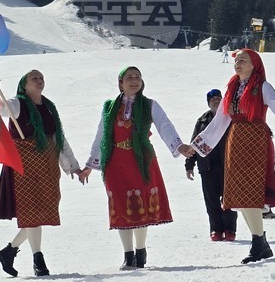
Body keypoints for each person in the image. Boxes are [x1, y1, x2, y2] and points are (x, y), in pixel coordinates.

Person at [189, 49, 275, 263]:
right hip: (235, 140)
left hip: (255, 140)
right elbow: (220, 120)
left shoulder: (262, 87)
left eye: (243, 60)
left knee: (248, 192)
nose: (238, 63)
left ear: (254, 64)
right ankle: (260, 242)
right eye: (236, 60)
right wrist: (197, 146)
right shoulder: (231, 88)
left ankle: (259, 242)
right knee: (237, 196)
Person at [79, 66, 191, 270]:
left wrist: (179, 145)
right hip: (115, 162)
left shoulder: (149, 105)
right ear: (120, 83)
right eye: (129, 77)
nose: (134, 81)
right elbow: (101, 136)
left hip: (142, 160)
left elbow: (164, 126)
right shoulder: (109, 107)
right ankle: (128, 254)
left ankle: (140, 251)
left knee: (141, 202)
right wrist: (90, 165)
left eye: (137, 77)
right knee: (121, 204)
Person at [0, 70, 84, 277]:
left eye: (41, 77)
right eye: (35, 78)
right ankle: (38, 260)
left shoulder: (49, 107)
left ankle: (9, 251)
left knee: (39, 214)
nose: (40, 81)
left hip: (47, 167)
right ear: (25, 85)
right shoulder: (17, 103)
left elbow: (59, 139)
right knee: (31, 213)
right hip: (24, 168)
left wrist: (73, 166)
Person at [185, 89, 237, 241]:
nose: (216, 100)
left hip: (229, 166)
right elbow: (195, 143)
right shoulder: (202, 121)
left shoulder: (230, 118)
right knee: (211, 200)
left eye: (218, 98)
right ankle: (216, 229)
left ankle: (230, 230)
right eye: (212, 98)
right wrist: (189, 165)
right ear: (208, 102)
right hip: (207, 166)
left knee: (229, 200)